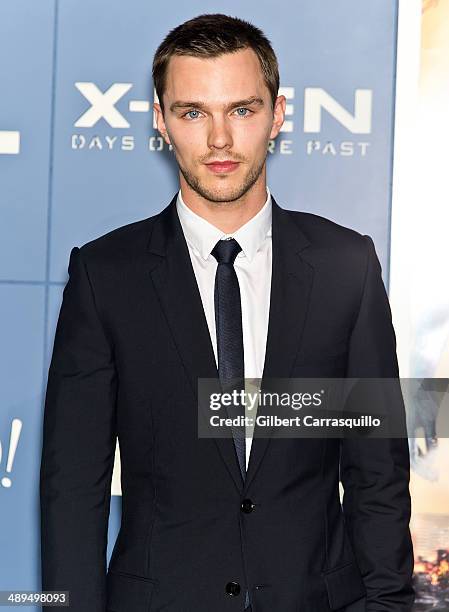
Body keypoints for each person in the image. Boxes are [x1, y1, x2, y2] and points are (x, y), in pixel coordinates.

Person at [39, 13, 415, 612]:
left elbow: (377, 471)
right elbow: (73, 488)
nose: (219, 139)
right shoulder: (105, 275)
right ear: (161, 121)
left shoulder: (348, 265)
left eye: (241, 110)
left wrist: (390, 605)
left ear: (278, 115)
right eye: (193, 112)